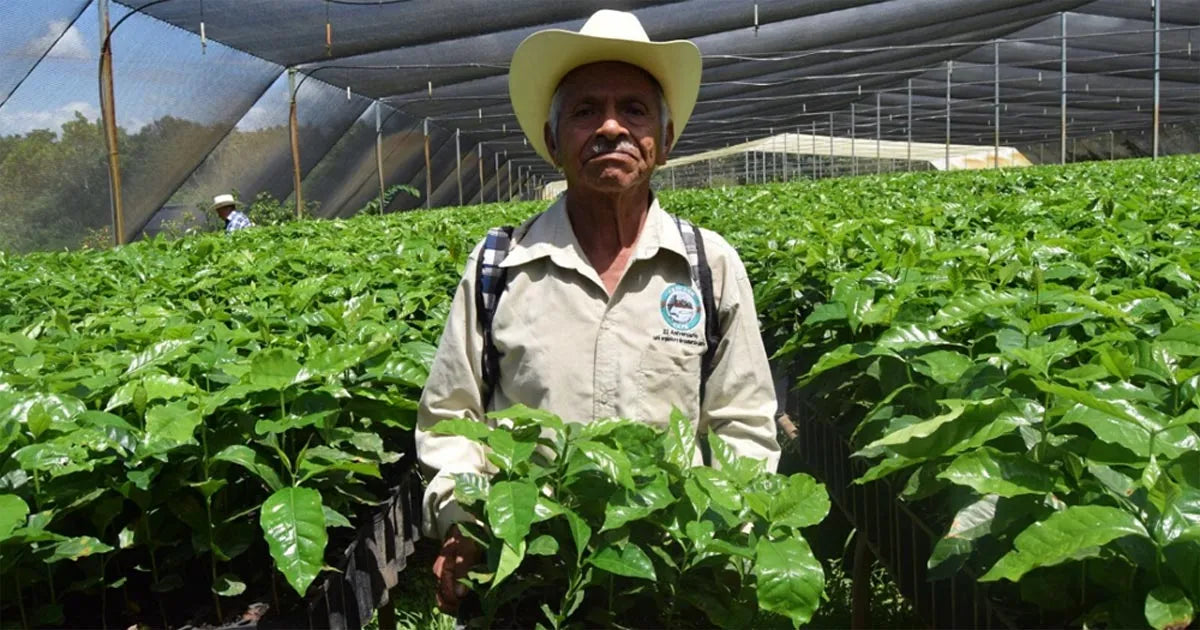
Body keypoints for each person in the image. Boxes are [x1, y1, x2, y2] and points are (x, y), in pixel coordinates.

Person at [415, 9, 780, 614]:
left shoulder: (708, 265)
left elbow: (742, 421)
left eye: (633, 109)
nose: (611, 127)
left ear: (664, 141)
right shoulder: (499, 266)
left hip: (670, 575)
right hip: (525, 571)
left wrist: (730, 541)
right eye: (585, 111)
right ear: (553, 141)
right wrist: (463, 518)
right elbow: (453, 415)